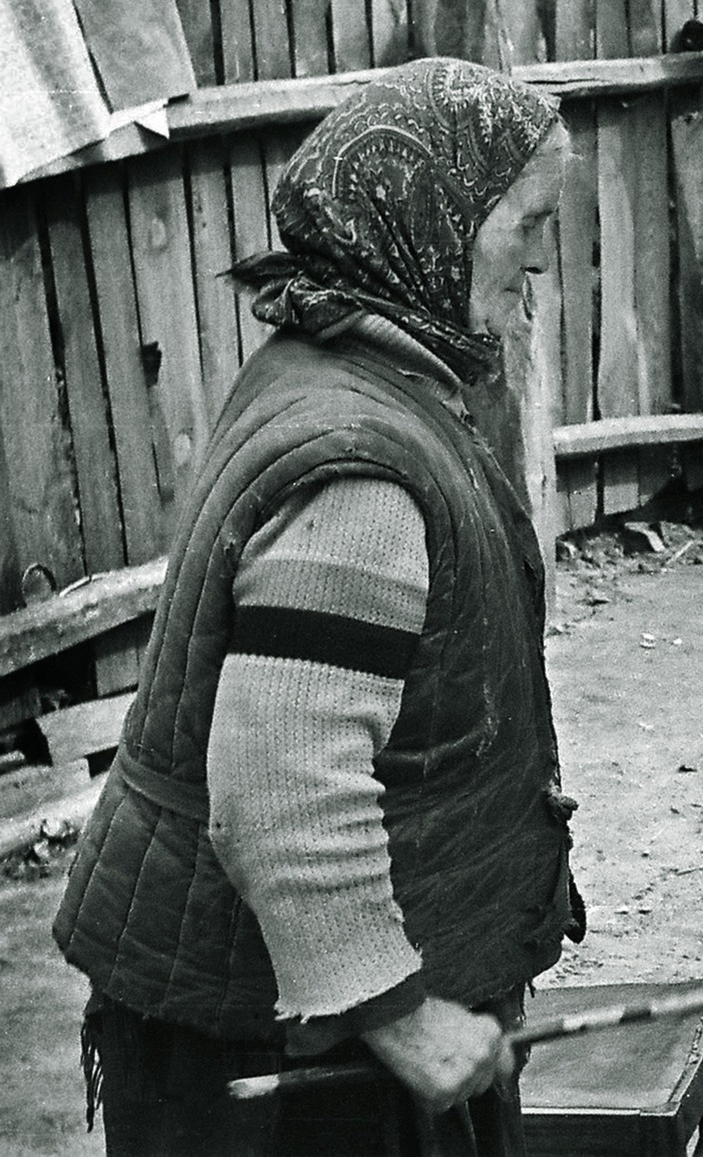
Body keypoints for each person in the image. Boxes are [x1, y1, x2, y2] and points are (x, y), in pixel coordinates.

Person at [53, 58, 583, 1155]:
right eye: (525, 220)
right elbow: (283, 780)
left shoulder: (342, 368)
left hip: (276, 1021)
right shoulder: (360, 469)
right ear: (429, 220)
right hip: (274, 1057)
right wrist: (396, 1012)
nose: (541, 253)